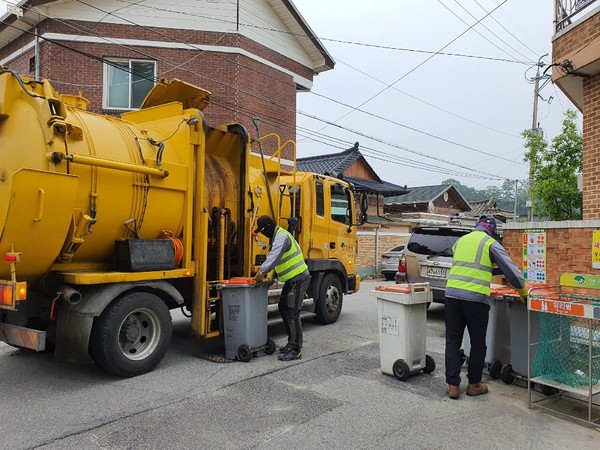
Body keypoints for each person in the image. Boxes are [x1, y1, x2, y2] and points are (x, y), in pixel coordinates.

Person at [444, 215, 527, 399]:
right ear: (492, 231)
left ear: (476, 226)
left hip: (452, 296)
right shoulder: (490, 243)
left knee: (452, 341)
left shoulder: (460, 241)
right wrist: (523, 292)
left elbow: (469, 265)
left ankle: (452, 386)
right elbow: (511, 272)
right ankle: (474, 384)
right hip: (475, 299)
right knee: (478, 343)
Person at [254, 215, 311, 361]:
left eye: (262, 231)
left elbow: (274, 258)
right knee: (283, 307)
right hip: (292, 279)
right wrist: (271, 277)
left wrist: (261, 273)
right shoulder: (278, 236)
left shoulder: (281, 237)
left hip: (299, 278)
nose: (262, 234)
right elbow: (280, 261)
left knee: (292, 312)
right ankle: (291, 343)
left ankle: (296, 349)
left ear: (267, 228)